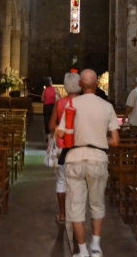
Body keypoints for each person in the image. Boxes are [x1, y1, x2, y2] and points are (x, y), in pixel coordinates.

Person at [56, 69, 120, 257]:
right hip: (98, 159)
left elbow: (59, 133)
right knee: (97, 204)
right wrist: (99, 138)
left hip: (75, 158)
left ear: (81, 86)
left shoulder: (71, 104)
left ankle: (82, 251)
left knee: (76, 207)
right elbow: (115, 141)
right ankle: (96, 247)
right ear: (98, 85)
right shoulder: (107, 106)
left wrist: (75, 135)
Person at [48, 72, 81, 224]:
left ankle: (63, 214)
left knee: (62, 180)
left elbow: (51, 125)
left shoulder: (60, 102)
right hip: (80, 148)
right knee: (78, 182)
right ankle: (76, 215)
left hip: (63, 147)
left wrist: (61, 132)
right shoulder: (85, 103)